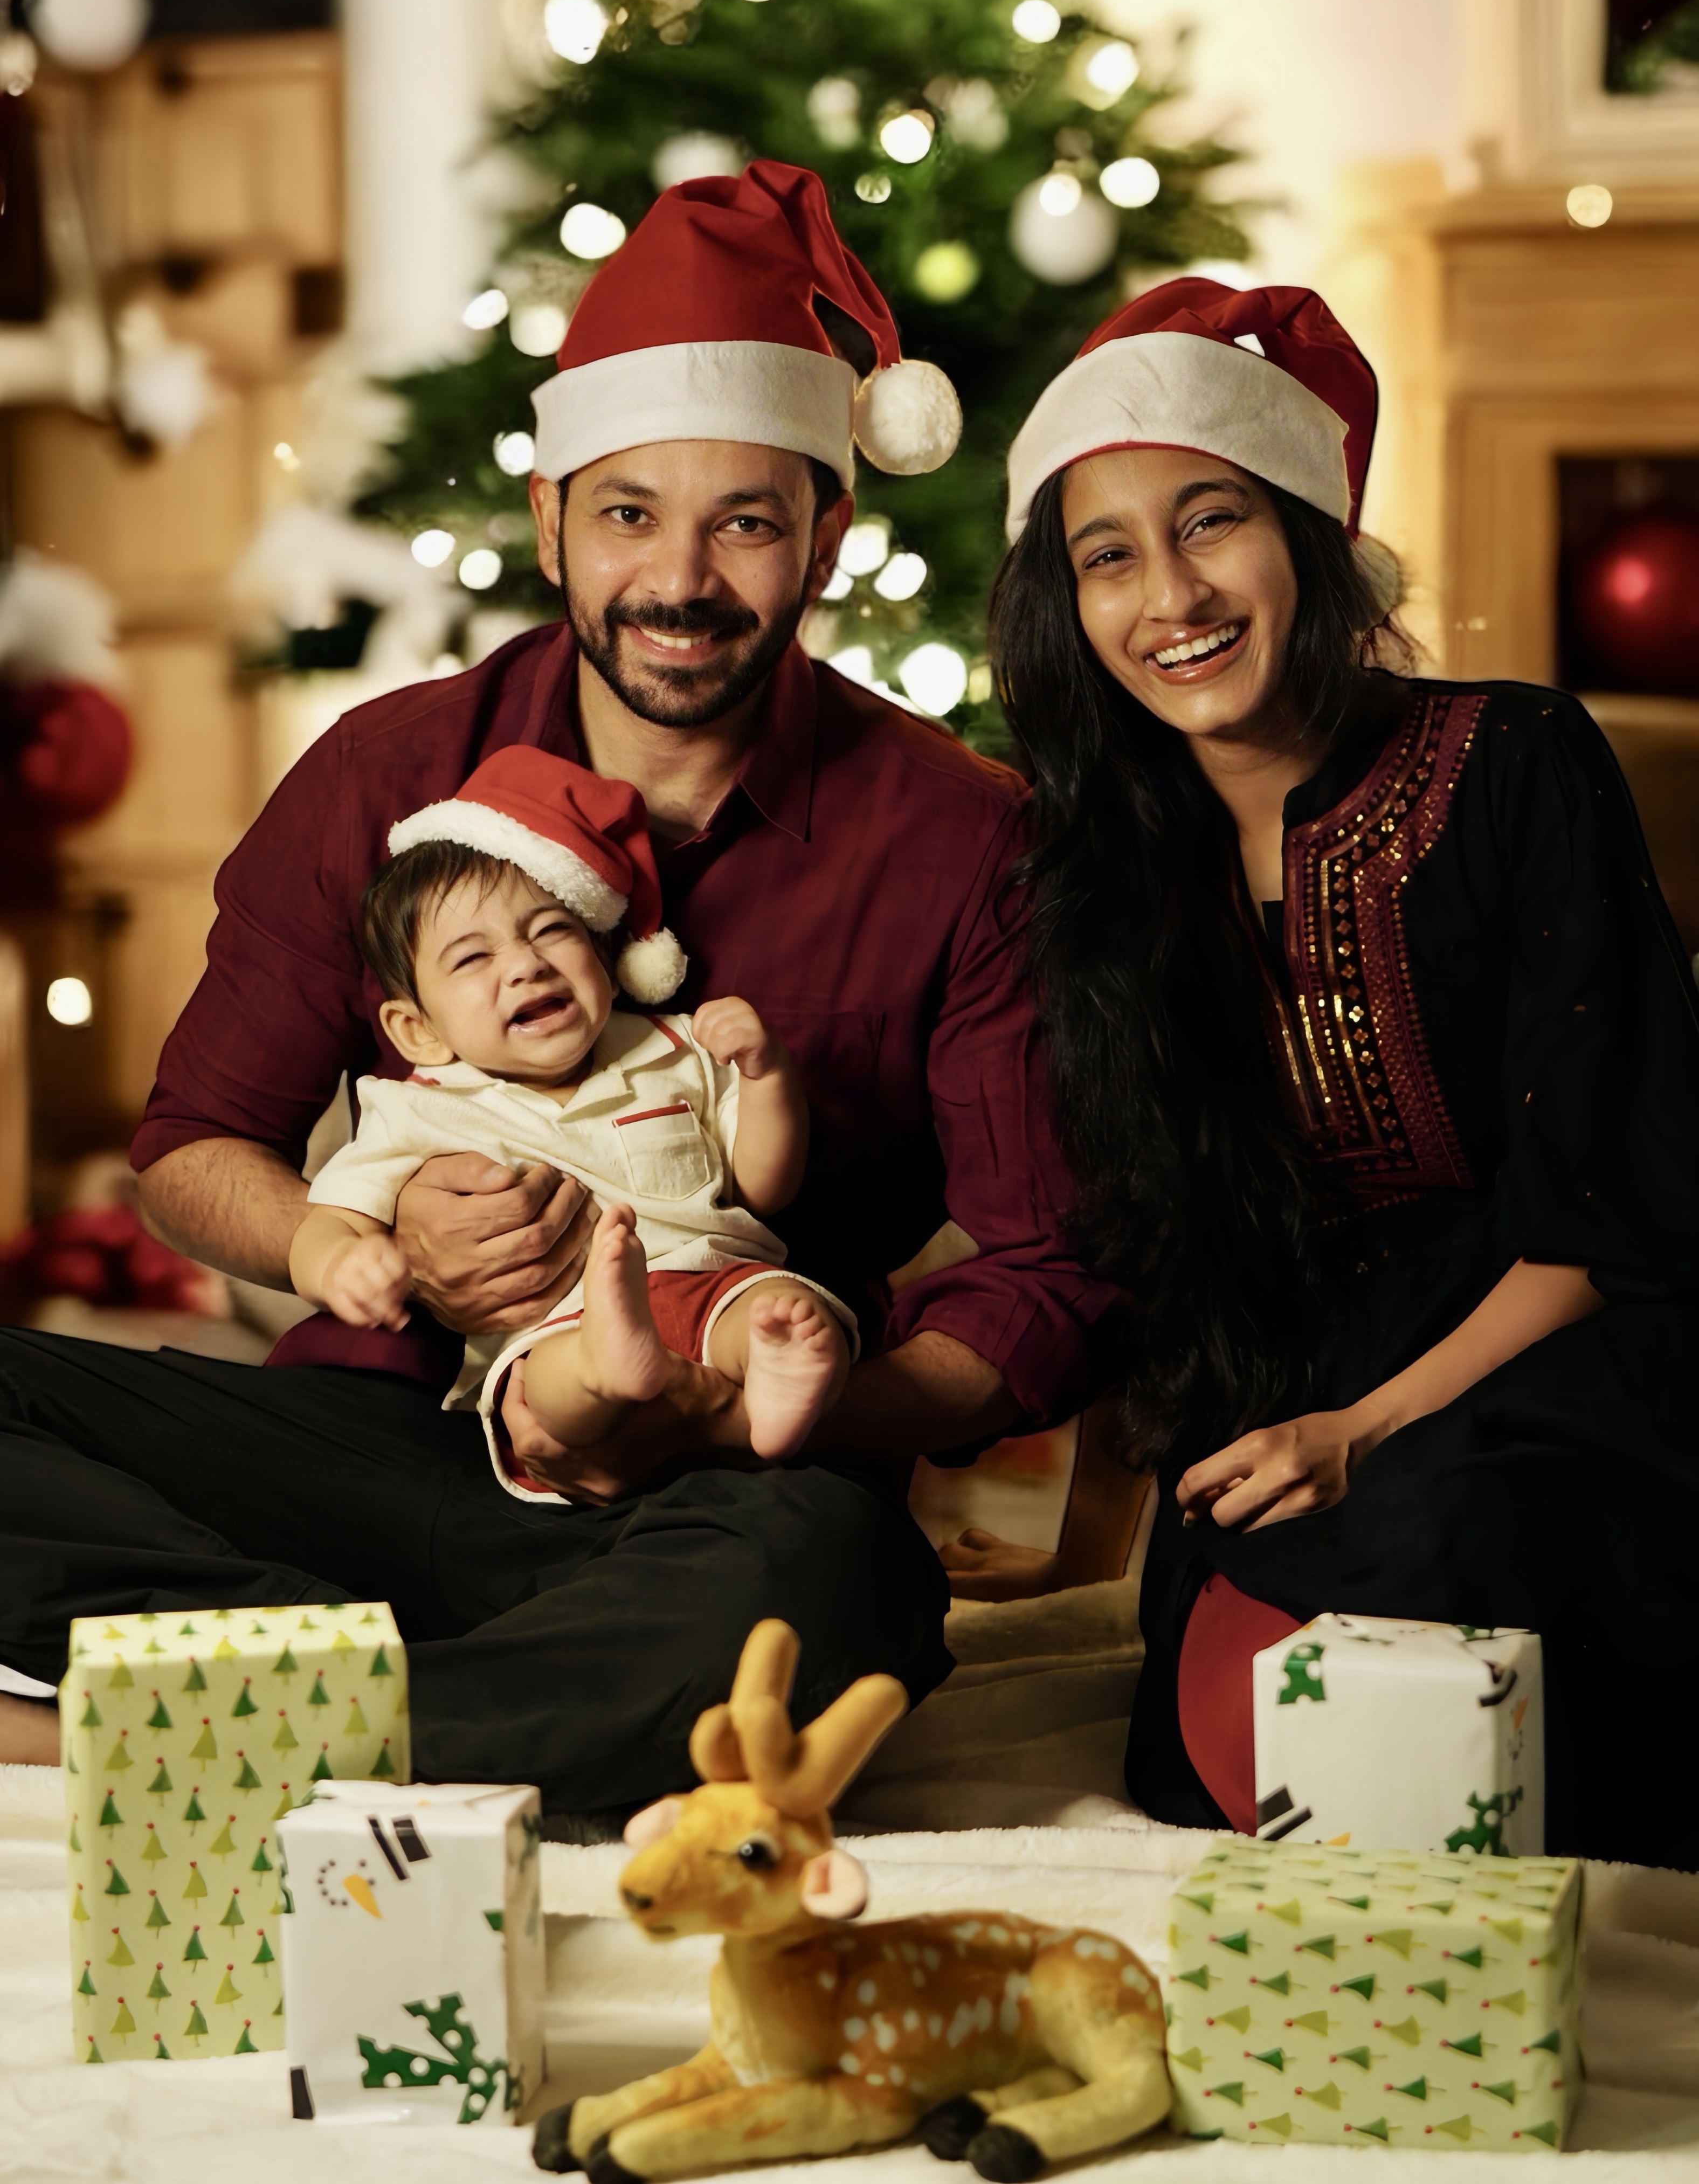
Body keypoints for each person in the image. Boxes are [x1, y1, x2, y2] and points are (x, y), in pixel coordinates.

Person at [0, 161, 1120, 1816]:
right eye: (626, 513)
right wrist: (344, 1242)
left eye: (746, 518)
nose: (680, 577)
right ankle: (462, 1706)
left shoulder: (961, 835)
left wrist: (753, 1408)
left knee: (807, 1596)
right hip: (380, 1448)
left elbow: (1046, 1273)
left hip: (725, 1491)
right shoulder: (388, 766)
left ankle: (190, 1720)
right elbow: (192, 1146)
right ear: (548, 520)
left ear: (829, 533)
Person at [989, 274, 1699, 1881]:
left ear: (1304, 529)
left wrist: (1361, 1430)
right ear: (1066, 607)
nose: (1172, 591)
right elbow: (1146, 1254)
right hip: (1294, 1375)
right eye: (1108, 554)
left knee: (1443, 1557)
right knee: (1200, 1725)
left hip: (1580, 1343)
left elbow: (1611, 1207)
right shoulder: (1090, 866)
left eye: (1210, 519)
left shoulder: (1515, 759)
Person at [294, 744, 851, 1475]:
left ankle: (764, 1394)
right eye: (472, 958)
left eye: (551, 929)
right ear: (417, 1029)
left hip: (711, 1281)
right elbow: (329, 1220)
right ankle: (610, 1367)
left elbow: (764, 1186)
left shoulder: (673, 1047)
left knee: (789, 1313)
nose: (525, 963)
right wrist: (340, 1261)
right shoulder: (416, 1109)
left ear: (608, 953)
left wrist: (767, 1071)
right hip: (561, 1329)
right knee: (550, 1387)